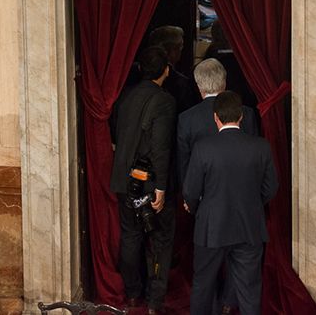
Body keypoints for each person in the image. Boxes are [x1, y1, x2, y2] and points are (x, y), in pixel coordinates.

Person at [183, 91, 278, 315]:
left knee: (203, 286)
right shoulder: (261, 146)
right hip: (249, 227)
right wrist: (253, 203)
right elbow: (271, 187)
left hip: (210, 228)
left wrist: (198, 209)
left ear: (215, 117)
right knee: (249, 290)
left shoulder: (203, 147)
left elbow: (190, 191)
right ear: (241, 116)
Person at [177, 59, 259, 314]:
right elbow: (255, 161)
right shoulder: (248, 113)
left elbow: (184, 165)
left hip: (206, 207)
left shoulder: (186, 119)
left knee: (204, 271)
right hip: (245, 207)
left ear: (199, 86)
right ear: (224, 82)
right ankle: (228, 304)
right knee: (243, 267)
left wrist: (190, 200)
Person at [110, 46, 177, 315]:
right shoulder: (164, 101)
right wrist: (161, 187)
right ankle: (154, 301)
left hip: (124, 181)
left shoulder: (124, 96)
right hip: (150, 184)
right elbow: (161, 148)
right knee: (160, 240)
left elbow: (116, 135)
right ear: (166, 70)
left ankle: (133, 295)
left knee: (130, 236)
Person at [149, 25, 200, 114]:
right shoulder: (180, 83)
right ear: (172, 50)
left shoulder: (140, 74)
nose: (181, 51)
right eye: (180, 48)